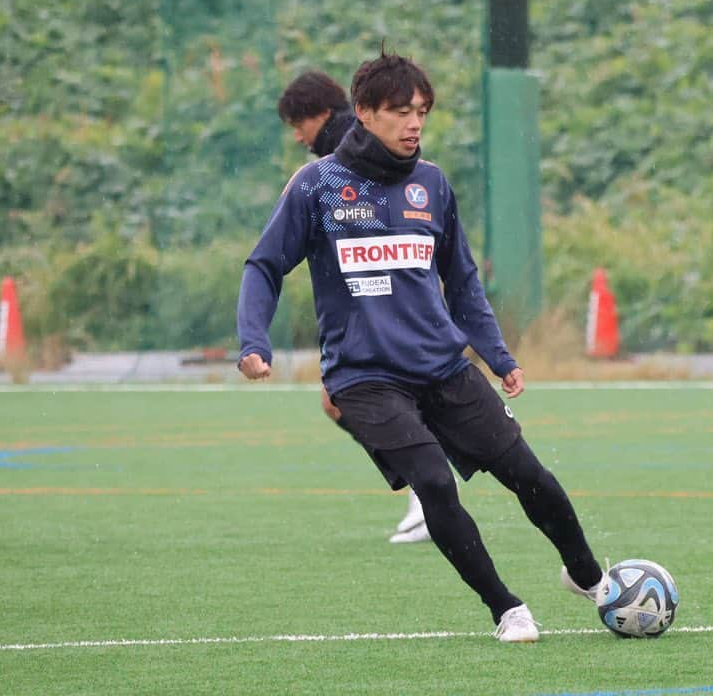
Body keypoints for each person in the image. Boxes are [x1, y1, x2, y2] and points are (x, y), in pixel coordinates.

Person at [238, 48, 606, 641]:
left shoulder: (431, 184)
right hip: (365, 378)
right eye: (401, 111)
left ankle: (590, 576)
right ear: (362, 112)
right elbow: (263, 266)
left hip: (443, 367)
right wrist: (254, 340)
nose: (414, 124)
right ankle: (506, 608)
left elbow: (461, 282)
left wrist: (498, 355)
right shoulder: (318, 185)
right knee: (433, 481)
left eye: (422, 112)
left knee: (527, 473)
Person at [277, 69, 432, 544]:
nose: (298, 137)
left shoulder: (348, 144)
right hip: (386, 299)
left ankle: (426, 491)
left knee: (355, 399)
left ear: (316, 114)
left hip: (383, 302)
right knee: (341, 400)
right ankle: (423, 486)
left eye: (297, 125)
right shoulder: (337, 150)